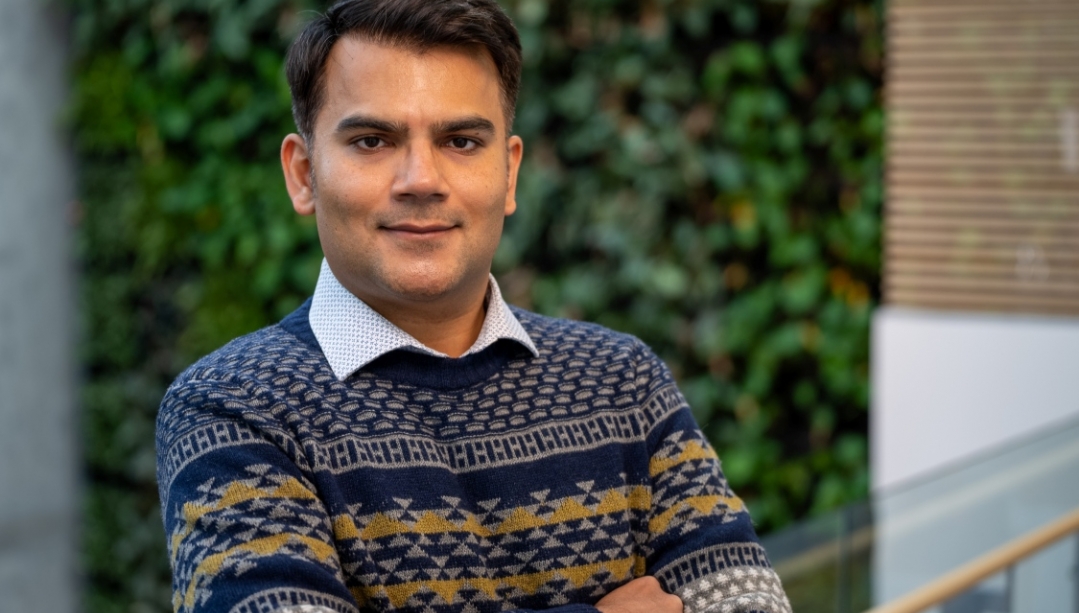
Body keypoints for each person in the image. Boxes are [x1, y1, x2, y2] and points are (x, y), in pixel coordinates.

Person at [155, 1, 792, 612]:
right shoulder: (232, 408)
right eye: (373, 141)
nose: (422, 180)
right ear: (303, 174)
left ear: (509, 175)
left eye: (461, 141)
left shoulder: (623, 382)